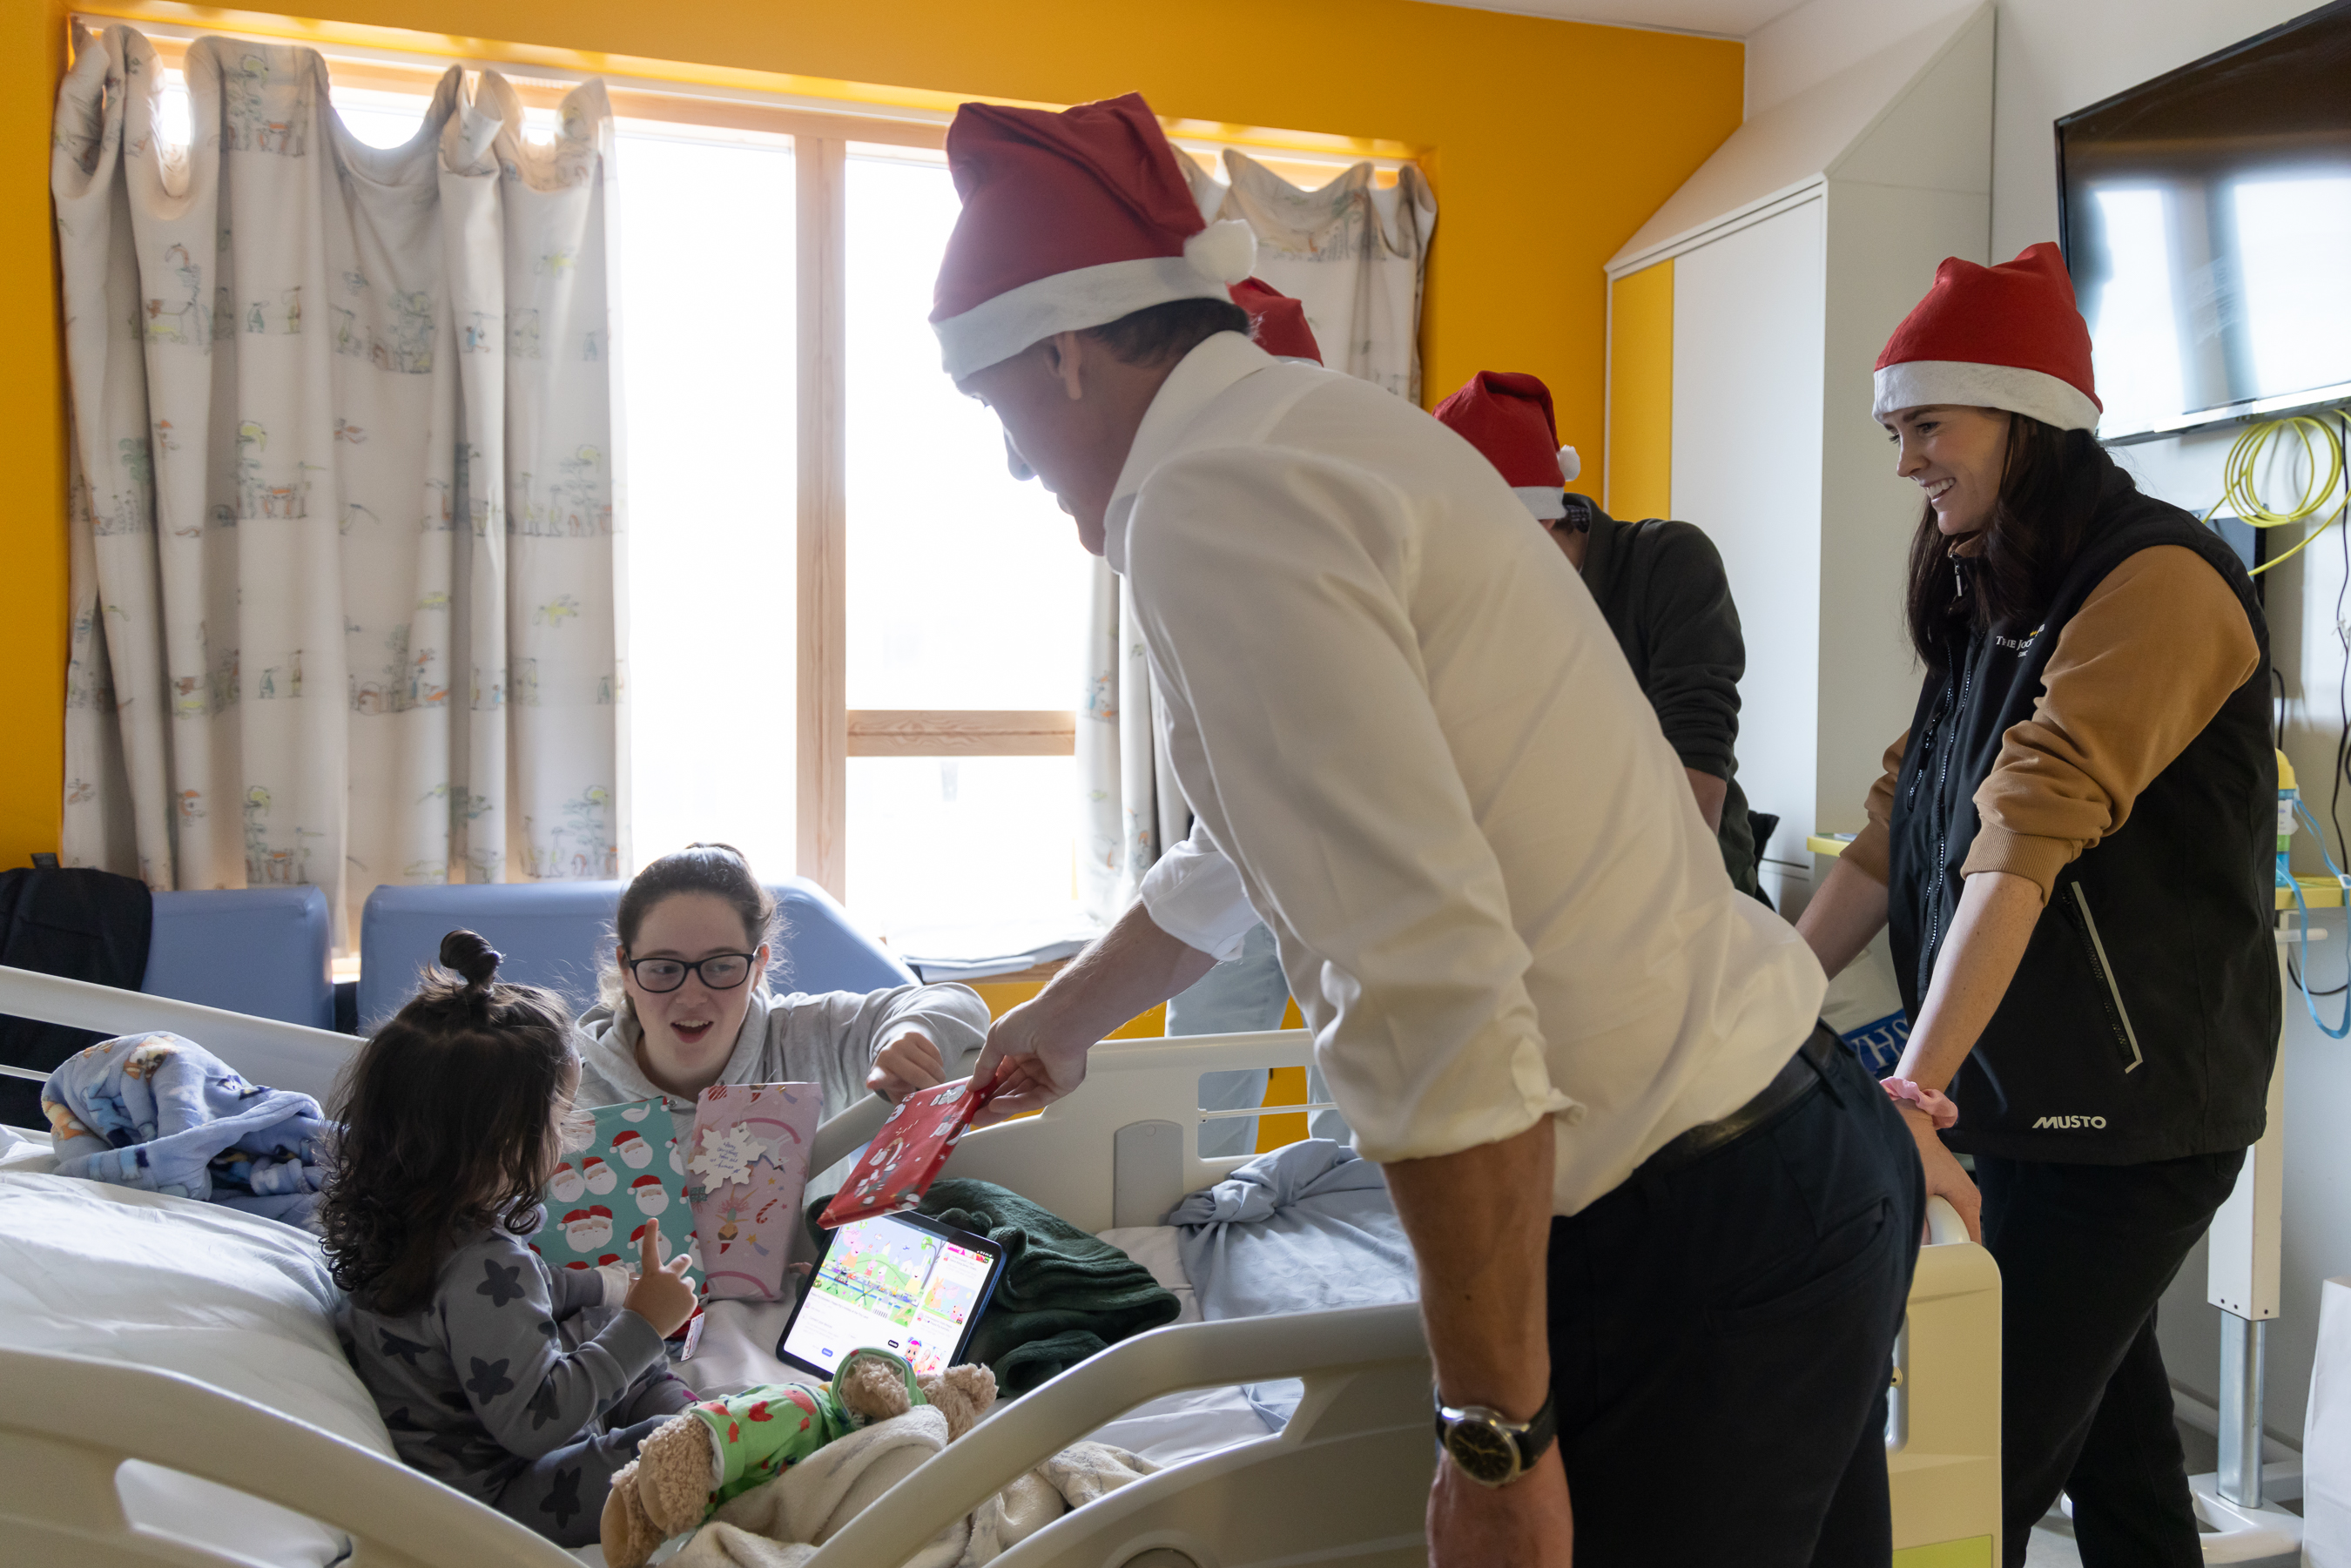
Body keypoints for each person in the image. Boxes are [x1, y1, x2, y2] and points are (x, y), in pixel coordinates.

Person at [933, 91, 1922, 1566]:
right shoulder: (1318, 432)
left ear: (1066, 352)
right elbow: (1246, 850)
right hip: (1800, 1155)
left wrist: (1494, 1438)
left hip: (1693, 1227)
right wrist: (1065, 1022)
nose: (1020, 468)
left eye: (1001, 416)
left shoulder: (1205, 501)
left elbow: (1434, 998)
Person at [1792, 243, 2274, 1568]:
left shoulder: (2158, 583)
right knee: (2115, 1456)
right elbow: (1904, 825)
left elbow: (2021, 846)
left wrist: (1915, 1088)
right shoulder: (1990, 579)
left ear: (2022, 413)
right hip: (2018, 1088)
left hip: (2125, 1113)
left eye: (1926, 428)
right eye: (1898, 433)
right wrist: (1762, 996)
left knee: (1966, 1486)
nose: (1907, 464)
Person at [320, 930, 701, 1547]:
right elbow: (535, 1424)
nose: (568, 1134)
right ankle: (695, 1422)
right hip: (498, 1501)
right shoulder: (482, 1261)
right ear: (498, 1141)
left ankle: (674, 1404)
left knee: (591, 1321)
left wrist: (609, 1288)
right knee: (668, 1449)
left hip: (465, 1453)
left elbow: (524, 1295)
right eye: (557, 1119)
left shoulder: (406, 1221)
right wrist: (644, 1324)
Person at [1433, 369, 1765, 898]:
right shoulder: (1479, 610)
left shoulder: (1667, 564)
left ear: (1535, 522)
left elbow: (1694, 786)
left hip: (1686, 913)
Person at [1170, 277, 1348, 1154]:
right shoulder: (1189, 528)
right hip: (1234, 848)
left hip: (1350, 862)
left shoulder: (1355, 533)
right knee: (1201, 1096)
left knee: (1351, 1109)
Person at [572, 843, 991, 1193]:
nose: (692, 995)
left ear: (758, 968)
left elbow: (959, 1003)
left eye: (721, 967)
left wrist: (909, 1034)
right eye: (664, 968)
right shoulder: (568, 1092)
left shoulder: (810, 1039)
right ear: (627, 969)